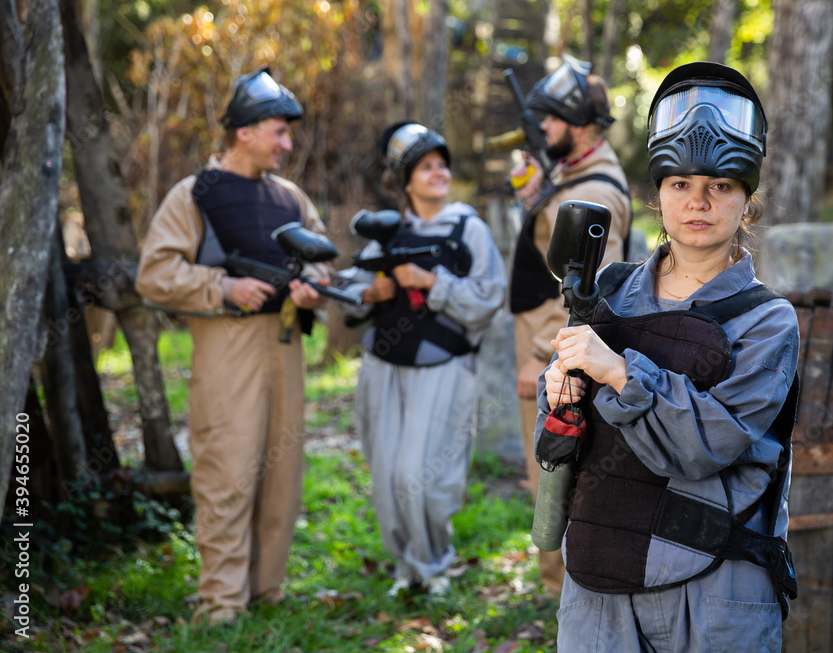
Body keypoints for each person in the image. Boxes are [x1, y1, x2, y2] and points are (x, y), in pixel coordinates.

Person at [536, 62, 800, 650]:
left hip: (714, 590)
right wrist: (558, 397)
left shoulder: (767, 321)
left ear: (745, 199)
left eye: (720, 187)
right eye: (680, 184)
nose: (698, 202)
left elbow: (705, 445)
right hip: (597, 581)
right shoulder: (604, 294)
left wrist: (620, 371)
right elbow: (556, 442)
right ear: (658, 195)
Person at [136, 67, 332, 626]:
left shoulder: (290, 198)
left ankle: (265, 593)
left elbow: (324, 272)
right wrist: (222, 286)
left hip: (286, 347)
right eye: (279, 131)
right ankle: (220, 605)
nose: (287, 144)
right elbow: (153, 274)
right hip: (226, 352)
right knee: (227, 471)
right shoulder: (193, 195)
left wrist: (311, 292)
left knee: (281, 476)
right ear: (244, 131)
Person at [335, 122, 506, 598]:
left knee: (421, 476)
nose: (439, 172)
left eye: (442, 164)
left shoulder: (466, 227)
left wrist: (432, 283)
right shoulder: (389, 230)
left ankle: (433, 565)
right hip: (383, 367)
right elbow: (350, 290)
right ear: (404, 180)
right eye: (426, 166)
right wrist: (375, 289)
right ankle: (405, 569)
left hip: (443, 367)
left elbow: (490, 296)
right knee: (388, 476)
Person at [508, 55, 632, 594]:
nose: (543, 129)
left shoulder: (597, 192)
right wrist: (537, 197)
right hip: (546, 340)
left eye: (552, 120)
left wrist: (541, 355)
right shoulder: (573, 173)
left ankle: (564, 595)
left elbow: (591, 290)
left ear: (579, 124)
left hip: (556, 351)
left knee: (555, 469)